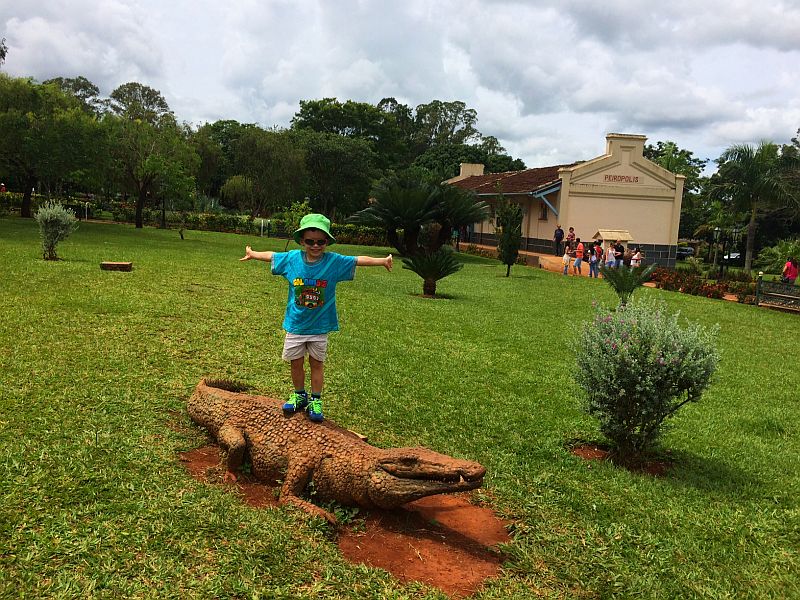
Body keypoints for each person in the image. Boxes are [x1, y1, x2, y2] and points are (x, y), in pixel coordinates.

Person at [240, 213, 393, 423]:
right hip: (295, 325)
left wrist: (382, 261)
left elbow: (358, 260)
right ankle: (300, 395)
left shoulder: (334, 262)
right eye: (310, 241)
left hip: (320, 327)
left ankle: (316, 400)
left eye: (320, 241)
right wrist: (253, 253)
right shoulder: (292, 259)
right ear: (302, 241)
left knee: (316, 364)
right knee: (295, 364)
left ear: (327, 242)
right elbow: (272, 256)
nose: (315, 246)